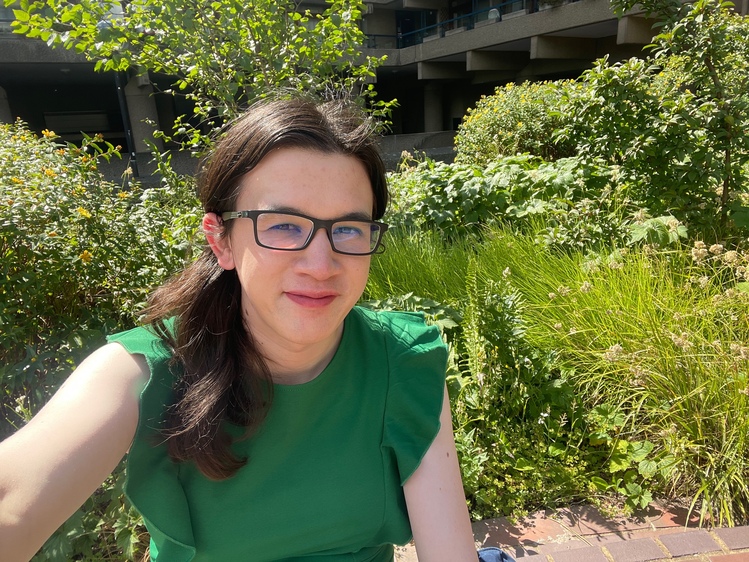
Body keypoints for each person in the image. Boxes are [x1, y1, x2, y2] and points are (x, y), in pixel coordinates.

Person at [0, 95, 506, 562]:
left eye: (348, 229)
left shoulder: (403, 361)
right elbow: (13, 503)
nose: (321, 264)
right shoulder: (141, 371)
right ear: (220, 240)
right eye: (284, 224)